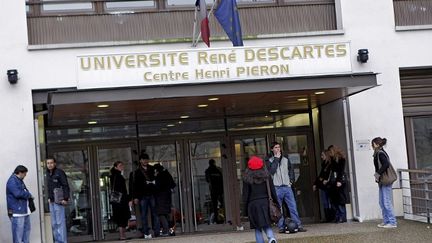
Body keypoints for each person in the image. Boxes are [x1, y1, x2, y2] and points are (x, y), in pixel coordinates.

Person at [265, 142, 306, 233]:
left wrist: (291, 181)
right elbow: (271, 171)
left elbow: (291, 169)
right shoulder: (269, 160)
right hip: (277, 188)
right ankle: (281, 227)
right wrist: (276, 159)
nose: (278, 149)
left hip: (287, 187)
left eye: (279, 147)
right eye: (276, 147)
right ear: (272, 149)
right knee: (279, 209)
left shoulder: (285, 158)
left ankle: (298, 225)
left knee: (293, 207)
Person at [243, 156, 278, 243]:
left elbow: (245, 195)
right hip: (266, 203)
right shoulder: (267, 176)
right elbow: (273, 191)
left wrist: (245, 210)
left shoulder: (247, 178)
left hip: (253, 205)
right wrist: (277, 203)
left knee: (257, 228)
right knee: (267, 224)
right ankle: (271, 238)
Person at [372, 137, 397, 228]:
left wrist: (378, 174)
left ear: (377, 144)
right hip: (382, 180)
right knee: (382, 202)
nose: (372, 146)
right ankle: (386, 221)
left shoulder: (380, 153)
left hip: (385, 180)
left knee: (386, 201)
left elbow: (386, 164)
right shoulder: (378, 153)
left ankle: (392, 222)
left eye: (373, 144)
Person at [133, 153, 160, 239]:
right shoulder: (137, 172)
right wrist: (136, 197)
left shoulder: (152, 169)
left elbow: (157, 180)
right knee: (144, 215)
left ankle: (157, 232)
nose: (145, 161)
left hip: (152, 194)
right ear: (140, 161)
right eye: (143, 159)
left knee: (155, 214)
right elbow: (135, 186)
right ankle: (146, 233)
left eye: (146, 159)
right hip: (142, 195)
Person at [6, 165, 33, 243]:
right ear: (20, 173)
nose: (25, 176)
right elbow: (17, 193)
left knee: (26, 233)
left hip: (23, 211)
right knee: (18, 236)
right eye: (25, 174)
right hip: (17, 212)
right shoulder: (12, 181)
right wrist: (28, 194)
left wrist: (26, 193)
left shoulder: (18, 180)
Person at [46, 158, 70, 243]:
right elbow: (48, 187)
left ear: (55, 163)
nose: (49, 165)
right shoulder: (47, 173)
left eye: (51, 163)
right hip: (51, 201)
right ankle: (57, 241)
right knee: (54, 224)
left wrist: (65, 198)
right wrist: (49, 197)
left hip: (59, 201)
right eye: (48, 163)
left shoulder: (59, 172)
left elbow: (65, 185)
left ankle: (63, 241)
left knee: (60, 223)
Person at [325, 145, 347, 223]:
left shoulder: (341, 159)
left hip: (339, 181)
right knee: (335, 200)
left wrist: (339, 181)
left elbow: (341, 171)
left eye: (330, 152)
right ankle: (338, 216)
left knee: (340, 200)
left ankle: (342, 216)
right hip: (334, 182)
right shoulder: (333, 159)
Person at [110, 161, 131, 240]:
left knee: (120, 218)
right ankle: (122, 235)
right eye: (120, 165)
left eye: (122, 165)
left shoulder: (114, 176)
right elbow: (122, 190)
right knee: (122, 218)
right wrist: (127, 198)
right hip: (120, 200)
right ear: (115, 167)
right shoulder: (118, 176)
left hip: (117, 200)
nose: (122, 167)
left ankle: (122, 235)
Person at [154, 163, 176, 236]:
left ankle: (166, 230)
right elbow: (173, 184)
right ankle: (171, 230)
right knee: (167, 214)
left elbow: (157, 187)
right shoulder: (167, 174)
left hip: (160, 197)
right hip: (168, 196)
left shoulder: (159, 176)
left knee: (161, 213)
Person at [313, 150, 334, 222]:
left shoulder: (330, 164)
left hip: (328, 186)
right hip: (323, 186)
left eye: (322, 155)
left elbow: (326, 175)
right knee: (325, 202)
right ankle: (328, 217)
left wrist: (325, 180)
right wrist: (316, 183)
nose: (321, 157)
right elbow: (321, 175)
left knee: (329, 202)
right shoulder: (324, 164)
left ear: (326, 155)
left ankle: (331, 217)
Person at [205, 159, 224, 224]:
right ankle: (225, 217)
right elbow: (222, 178)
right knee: (223, 204)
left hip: (213, 190)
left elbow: (207, 180)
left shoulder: (208, 171)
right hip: (220, 189)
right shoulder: (218, 170)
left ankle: (217, 219)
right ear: (214, 163)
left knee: (215, 205)